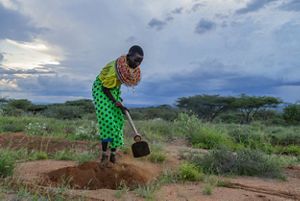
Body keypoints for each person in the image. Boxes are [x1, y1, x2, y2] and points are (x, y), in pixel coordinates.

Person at [92, 45, 144, 166]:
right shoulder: (114, 69)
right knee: (108, 122)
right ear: (129, 55)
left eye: (140, 61)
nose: (137, 64)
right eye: (136, 60)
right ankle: (104, 154)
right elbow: (105, 88)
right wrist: (118, 103)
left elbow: (114, 86)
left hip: (113, 90)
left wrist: (119, 103)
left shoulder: (126, 69)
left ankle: (113, 155)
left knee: (118, 121)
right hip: (101, 89)